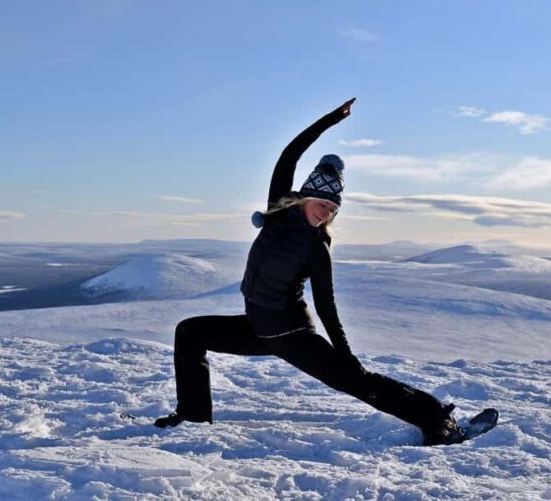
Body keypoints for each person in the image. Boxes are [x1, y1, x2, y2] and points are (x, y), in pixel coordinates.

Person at [154, 98, 465, 446]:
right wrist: (332, 119)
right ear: (305, 198)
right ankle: (193, 418)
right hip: (257, 327)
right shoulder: (277, 212)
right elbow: (289, 155)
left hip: (292, 334)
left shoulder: (317, 247)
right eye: (322, 204)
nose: (326, 214)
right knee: (190, 333)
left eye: (333, 210)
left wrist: (345, 354)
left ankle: (436, 418)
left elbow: (326, 304)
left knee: (355, 380)